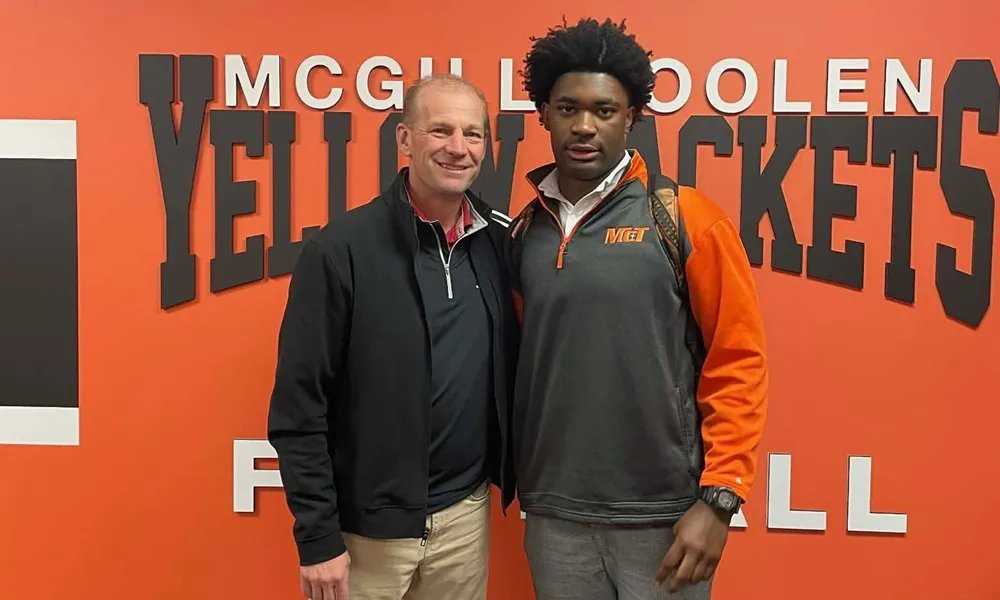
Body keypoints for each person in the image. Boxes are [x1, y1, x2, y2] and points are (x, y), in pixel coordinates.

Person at [505, 17, 769, 599]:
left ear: (631, 118)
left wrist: (719, 500)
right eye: (568, 108)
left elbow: (738, 360)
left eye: (604, 110)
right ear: (543, 113)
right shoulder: (525, 232)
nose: (584, 125)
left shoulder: (684, 217)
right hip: (554, 516)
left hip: (665, 516)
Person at [267, 73, 519, 600]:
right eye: (440, 130)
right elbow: (299, 407)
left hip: (465, 520)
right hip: (367, 534)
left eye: (473, 134)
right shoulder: (340, 250)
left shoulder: (499, 243)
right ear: (405, 139)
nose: (458, 147)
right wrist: (317, 538)